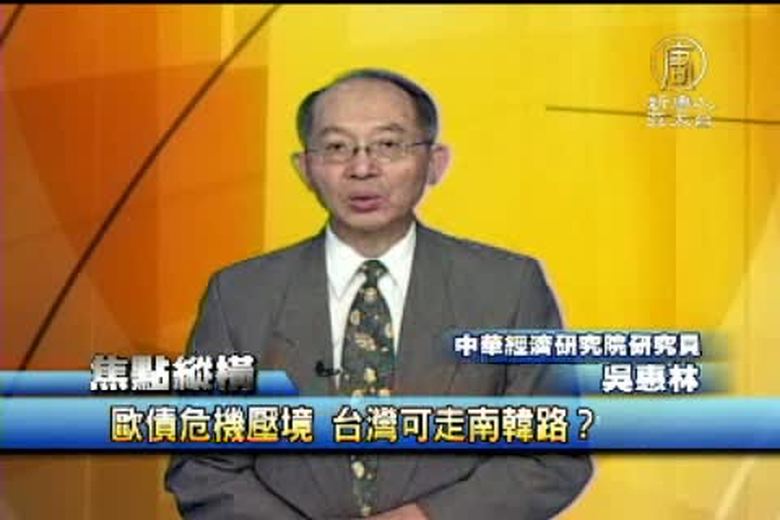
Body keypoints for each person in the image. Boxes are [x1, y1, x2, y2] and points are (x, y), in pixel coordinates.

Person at [165, 68, 592, 519]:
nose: (362, 168)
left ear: (436, 162)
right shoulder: (239, 296)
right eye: (336, 148)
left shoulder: (507, 287)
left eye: (388, 145)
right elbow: (202, 465)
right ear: (304, 168)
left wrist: (425, 518)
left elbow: (552, 456)